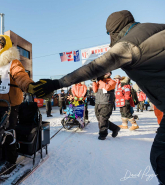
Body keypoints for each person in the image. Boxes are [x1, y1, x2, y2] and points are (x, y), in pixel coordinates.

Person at [30, 10, 165, 183]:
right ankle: (111, 128)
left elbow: (93, 67)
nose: (110, 39)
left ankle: (108, 130)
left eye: (109, 34)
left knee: (160, 157)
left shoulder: (128, 44)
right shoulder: (155, 28)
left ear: (114, 31)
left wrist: (56, 84)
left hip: (107, 101)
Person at [0, 35, 34, 173]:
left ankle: (11, 160)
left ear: (6, 45)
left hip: (11, 104)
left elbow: (20, 76)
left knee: (9, 132)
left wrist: (29, 86)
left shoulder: (13, 62)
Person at [92, 72, 120, 140]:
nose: (104, 74)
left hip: (106, 103)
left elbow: (107, 87)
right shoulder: (100, 81)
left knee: (103, 119)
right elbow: (95, 90)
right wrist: (94, 82)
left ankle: (103, 134)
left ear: (110, 74)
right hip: (98, 102)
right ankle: (115, 128)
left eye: (106, 73)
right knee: (100, 119)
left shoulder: (112, 82)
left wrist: (99, 81)